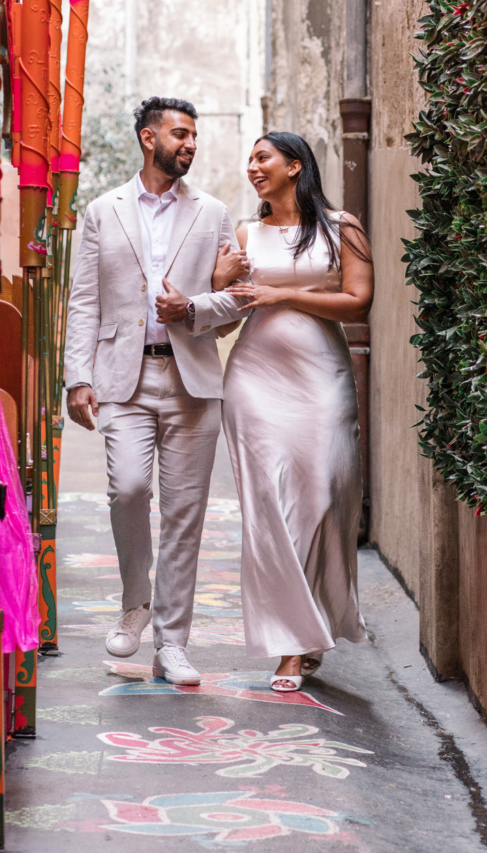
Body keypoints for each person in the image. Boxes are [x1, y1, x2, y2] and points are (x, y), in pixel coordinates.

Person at [169, 131, 373, 692]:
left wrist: (283, 295)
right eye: (252, 160)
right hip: (256, 380)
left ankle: (314, 625)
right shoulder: (244, 234)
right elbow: (230, 318)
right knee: (270, 511)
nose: (253, 167)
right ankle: (289, 645)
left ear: (295, 165)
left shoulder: (342, 227)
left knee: (322, 498)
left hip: (321, 379)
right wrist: (217, 285)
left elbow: (358, 300)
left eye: (263, 158)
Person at [63, 96, 246, 686]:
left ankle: (173, 643)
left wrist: (189, 308)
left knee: (186, 514)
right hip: (123, 377)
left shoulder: (215, 213)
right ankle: (135, 602)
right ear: (149, 138)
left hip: (192, 376)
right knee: (129, 490)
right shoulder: (102, 210)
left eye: (195, 136)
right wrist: (79, 377)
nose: (190, 144)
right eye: (181, 134)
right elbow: (85, 300)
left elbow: (232, 307)